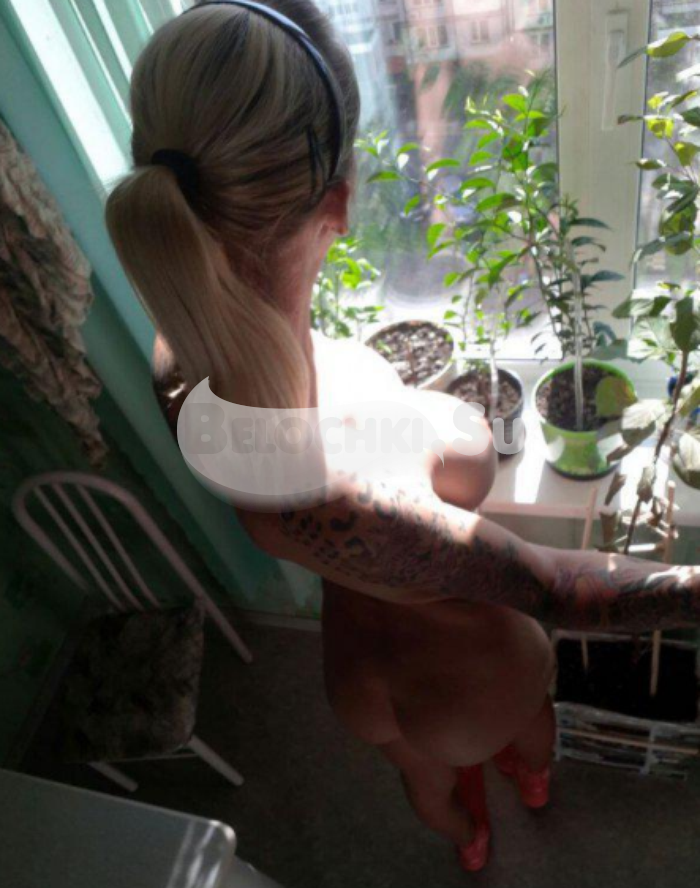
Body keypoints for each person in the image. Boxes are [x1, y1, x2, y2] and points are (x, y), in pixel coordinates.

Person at [107, 0, 700, 872]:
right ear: (339, 201)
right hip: (469, 681)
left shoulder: (180, 357)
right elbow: (559, 591)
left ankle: (470, 842)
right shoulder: (343, 490)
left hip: (355, 672)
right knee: (529, 732)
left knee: (419, 779)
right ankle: (531, 790)